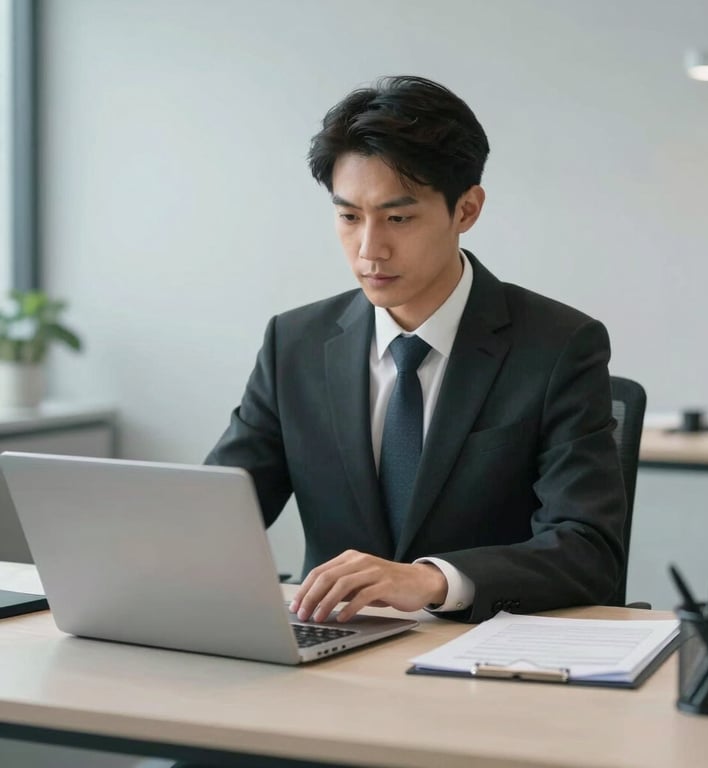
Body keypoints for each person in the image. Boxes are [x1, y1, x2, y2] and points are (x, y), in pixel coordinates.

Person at [206, 75, 626, 625]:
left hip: (481, 659)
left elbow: (589, 551)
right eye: (349, 216)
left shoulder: (558, 346)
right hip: (332, 649)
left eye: (398, 218)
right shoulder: (295, 343)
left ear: (467, 210)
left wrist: (432, 580)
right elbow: (217, 515)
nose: (369, 249)